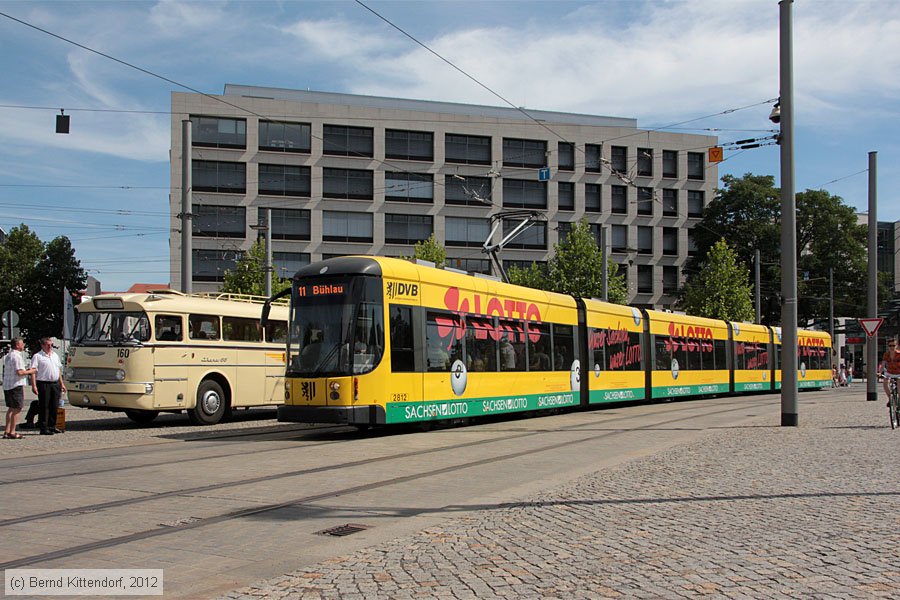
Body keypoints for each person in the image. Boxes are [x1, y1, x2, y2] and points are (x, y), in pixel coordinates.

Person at [30, 337, 66, 436]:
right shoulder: (38, 356)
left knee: (54, 405)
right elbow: (33, 372)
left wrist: (62, 383)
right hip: (43, 383)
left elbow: (58, 370)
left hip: (55, 383)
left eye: (51, 345)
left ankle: (52, 426)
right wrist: (34, 386)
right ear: (42, 345)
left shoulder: (55, 355)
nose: (50, 347)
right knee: (44, 406)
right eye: (47, 345)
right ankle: (43, 427)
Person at [3, 337, 37, 439]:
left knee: (11, 409)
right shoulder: (17, 356)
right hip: (16, 385)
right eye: (22, 344)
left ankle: (7, 430)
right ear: (17, 345)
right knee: (17, 408)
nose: (23, 345)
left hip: (8, 385)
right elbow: (20, 372)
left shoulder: (9, 355)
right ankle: (12, 431)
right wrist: (31, 371)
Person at [882, 338, 900, 406]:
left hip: (898, 372)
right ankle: (890, 398)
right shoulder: (886, 354)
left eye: (893, 345)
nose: (892, 347)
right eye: (890, 346)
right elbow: (883, 364)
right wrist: (879, 372)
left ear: (896, 345)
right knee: (885, 383)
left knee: (899, 388)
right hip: (889, 372)